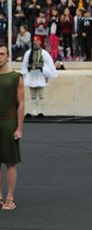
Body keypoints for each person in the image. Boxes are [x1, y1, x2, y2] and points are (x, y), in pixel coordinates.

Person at [0, 43, 24, 211]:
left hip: (9, 123)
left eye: (1, 54)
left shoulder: (16, 77)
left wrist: (19, 128)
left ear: (8, 56)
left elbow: (21, 104)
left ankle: (10, 197)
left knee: (10, 162)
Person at [21, 39, 58, 117]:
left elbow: (49, 63)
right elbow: (25, 63)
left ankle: (41, 111)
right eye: (34, 42)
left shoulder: (44, 53)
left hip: (40, 75)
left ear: (40, 42)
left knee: (41, 95)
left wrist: (46, 72)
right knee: (33, 95)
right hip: (31, 75)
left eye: (37, 42)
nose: (35, 43)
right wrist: (25, 72)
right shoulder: (28, 53)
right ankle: (33, 111)